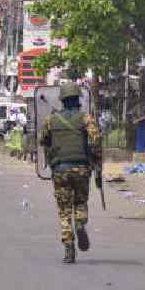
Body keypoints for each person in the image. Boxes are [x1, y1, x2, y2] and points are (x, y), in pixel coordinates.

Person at [39, 82, 102, 264]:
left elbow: (43, 140)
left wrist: (50, 158)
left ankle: (69, 248)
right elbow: (96, 140)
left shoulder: (51, 120)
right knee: (80, 202)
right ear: (77, 100)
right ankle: (81, 223)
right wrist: (96, 161)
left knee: (64, 210)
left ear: (63, 101)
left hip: (60, 169)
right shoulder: (86, 118)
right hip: (82, 168)